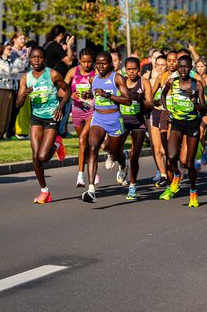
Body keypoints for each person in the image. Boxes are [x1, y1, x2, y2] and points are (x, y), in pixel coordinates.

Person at [16, 46, 70, 203]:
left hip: (52, 116)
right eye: (33, 57)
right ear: (30, 59)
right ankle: (44, 191)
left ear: (44, 59)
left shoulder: (52, 74)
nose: (36, 60)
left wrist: (60, 107)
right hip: (36, 117)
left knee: (43, 156)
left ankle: (57, 145)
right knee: (35, 157)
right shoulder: (26, 78)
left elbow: (67, 91)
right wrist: (25, 93)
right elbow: (18, 105)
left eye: (39, 57)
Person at [82, 52, 132, 203]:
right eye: (98, 63)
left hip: (114, 120)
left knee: (115, 153)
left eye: (104, 63)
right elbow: (94, 94)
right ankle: (91, 189)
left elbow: (128, 100)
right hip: (98, 118)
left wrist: (108, 95)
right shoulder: (93, 78)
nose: (100, 66)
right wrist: (87, 95)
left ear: (111, 63)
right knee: (92, 147)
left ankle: (123, 165)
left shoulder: (117, 78)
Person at [159, 54, 207, 206]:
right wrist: (165, 109)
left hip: (192, 125)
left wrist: (194, 101)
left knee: (190, 164)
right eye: (180, 66)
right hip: (177, 124)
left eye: (186, 66)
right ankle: (176, 175)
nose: (183, 69)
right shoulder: (172, 82)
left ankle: (193, 193)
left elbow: (204, 108)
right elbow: (162, 94)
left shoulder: (197, 84)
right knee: (172, 156)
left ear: (190, 67)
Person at [120, 56, 153, 200]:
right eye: (129, 69)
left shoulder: (143, 82)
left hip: (138, 123)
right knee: (115, 150)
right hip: (122, 121)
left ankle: (132, 185)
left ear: (138, 70)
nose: (131, 72)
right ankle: (122, 162)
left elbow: (151, 104)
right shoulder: (120, 81)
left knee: (135, 156)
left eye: (134, 69)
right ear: (125, 69)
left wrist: (142, 101)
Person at [64, 48, 95, 187]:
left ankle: (80, 176)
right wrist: (70, 94)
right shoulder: (72, 72)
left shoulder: (96, 74)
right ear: (79, 61)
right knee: (83, 143)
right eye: (83, 61)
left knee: (83, 139)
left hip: (91, 111)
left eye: (89, 61)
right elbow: (61, 90)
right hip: (77, 111)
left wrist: (91, 94)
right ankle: (91, 168)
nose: (86, 64)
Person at [0, 43, 25, 140]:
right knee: (1, 113)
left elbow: (20, 69)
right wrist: (19, 61)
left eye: (11, 49)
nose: (10, 51)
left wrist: (22, 60)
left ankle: (4, 133)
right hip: (3, 89)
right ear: (2, 49)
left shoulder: (10, 61)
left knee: (8, 113)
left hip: (11, 89)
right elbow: (10, 71)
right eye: (8, 49)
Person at [149, 54, 169, 184]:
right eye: (158, 65)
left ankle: (172, 171)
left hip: (167, 115)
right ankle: (163, 175)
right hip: (155, 113)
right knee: (157, 149)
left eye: (163, 64)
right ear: (155, 66)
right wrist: (153, 101)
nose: (161, 67)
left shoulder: (171, 78)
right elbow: (149, 95)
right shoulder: (155, 79)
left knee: (164, 149)